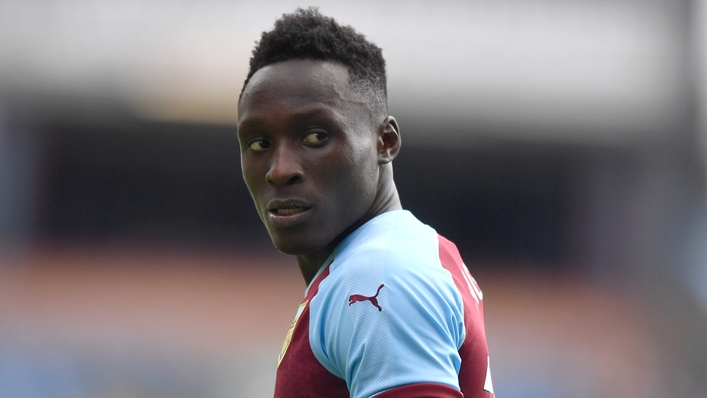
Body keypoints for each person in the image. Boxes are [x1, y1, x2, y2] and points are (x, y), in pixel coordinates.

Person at [237, 7, 494, 398]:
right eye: (259, 143)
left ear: (384, 142)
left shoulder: (379, 273)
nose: (279, 169)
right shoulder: (401, 253)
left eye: (315, 137)